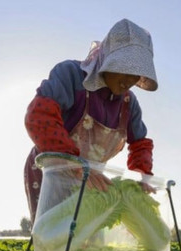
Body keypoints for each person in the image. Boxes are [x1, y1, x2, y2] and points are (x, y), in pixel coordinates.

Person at [23, 18, 158, 220]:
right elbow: (39, 116)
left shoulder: (128, 104)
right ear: (108, 59)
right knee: (53, 237)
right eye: (126, 69)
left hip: (92, 179)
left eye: (136, 74)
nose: (130, 81)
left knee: (90, 243)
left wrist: (141, 175)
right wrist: (74, 163)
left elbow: (140, 145)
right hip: (52, 171)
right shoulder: (71, 76)